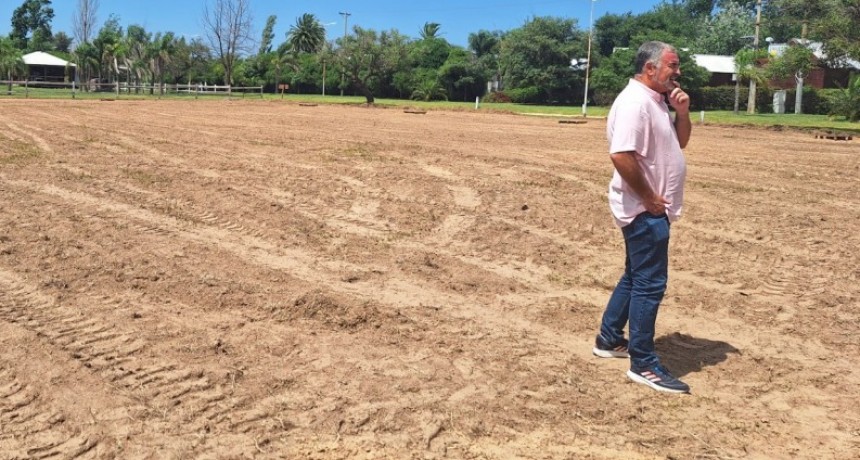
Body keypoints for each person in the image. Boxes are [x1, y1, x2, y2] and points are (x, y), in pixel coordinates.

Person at [592, 41, 692, 394]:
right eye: (672, 65)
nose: (678, 71)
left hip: (650, 208)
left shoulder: (657, 100)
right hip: (643, 210)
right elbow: (621, 155)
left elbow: (680, 143)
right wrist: (649, 198)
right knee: (650, 283)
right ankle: (644, 364)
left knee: (636, 276)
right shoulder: (635, 102)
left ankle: (608, 339)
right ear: (650, 68)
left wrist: (682, 113)